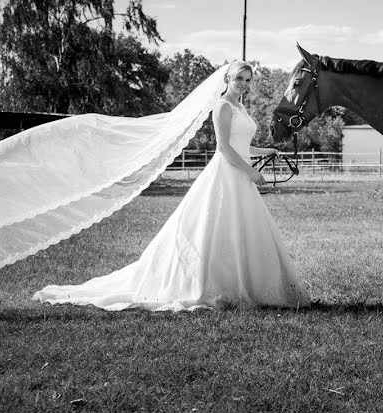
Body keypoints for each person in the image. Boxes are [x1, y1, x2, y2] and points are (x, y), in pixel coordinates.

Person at [31, 61, 309, 311]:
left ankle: (242, 285)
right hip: (227, 175)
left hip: (240, 176)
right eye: (239, 79)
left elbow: (243, 146)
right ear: (227, 79)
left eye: (248, 80)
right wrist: (250, 171)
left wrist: (267, 151)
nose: (244, 85)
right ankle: (209, 286)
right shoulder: (223, 107)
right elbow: (224, 148)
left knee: (242, 231)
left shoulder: (241, 107)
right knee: (214, 230)